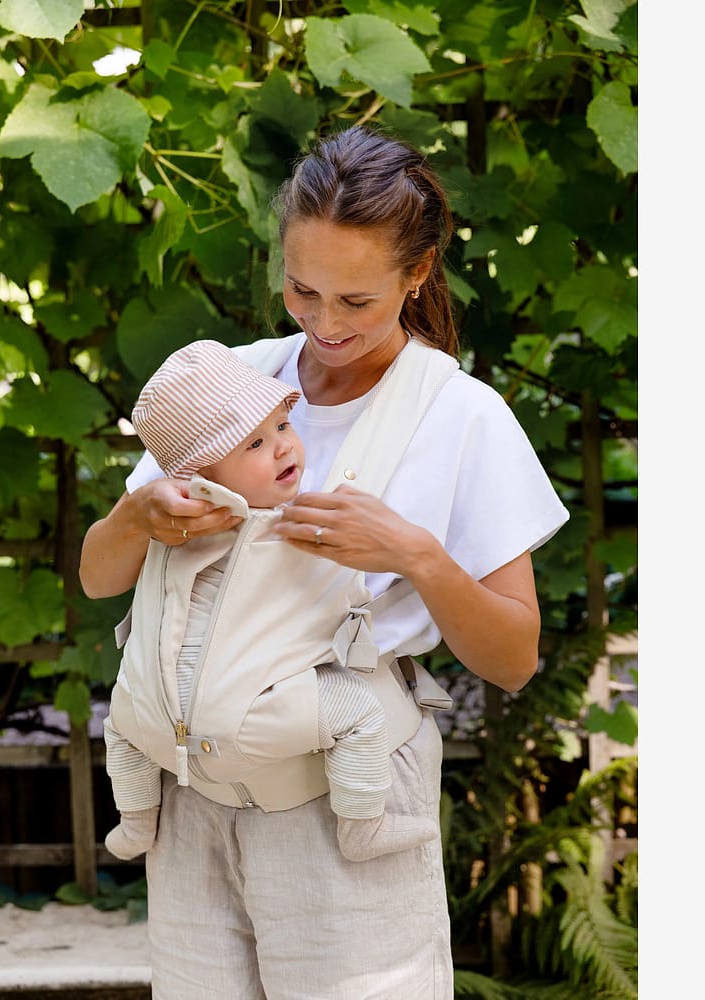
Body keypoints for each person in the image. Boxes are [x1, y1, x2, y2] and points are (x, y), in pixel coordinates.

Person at [80, 124, 569, 1000]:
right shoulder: (230, 382)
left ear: (416, 276)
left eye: (357, 300)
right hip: (194, 805)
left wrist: (413, 553)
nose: (324, 324)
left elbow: (515, 657)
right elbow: (98, 576)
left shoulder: (462, 418)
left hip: (348, 809)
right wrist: (136, 512)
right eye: (304, 290)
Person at [102, 338, 438, 865]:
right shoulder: (302, 522)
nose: (283, 447)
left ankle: (136, 822)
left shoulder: (169, 527)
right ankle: (362, 824)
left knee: (119, 722)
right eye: (253, 445)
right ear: (200, 477)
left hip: (159, 716)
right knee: (358, 716)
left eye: (282, 427)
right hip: (252, 716)